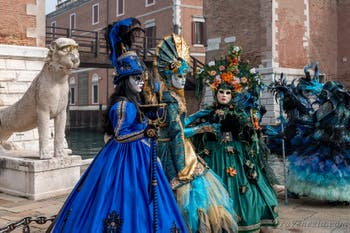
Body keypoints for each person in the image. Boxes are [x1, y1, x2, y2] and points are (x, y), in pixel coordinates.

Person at [48, 18, 188, 233]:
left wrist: (148, 130)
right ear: (125, 81)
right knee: (123, 197)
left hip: (140, 154)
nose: (140, 83)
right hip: (122, 157)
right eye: (135, 79)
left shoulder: (135, 103)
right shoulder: (122, 106)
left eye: (141, 79)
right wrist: (146, 131)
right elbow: (120, 136)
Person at [154, 33, 238, 233]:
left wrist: (197, 114)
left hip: (179, 145)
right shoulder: (171, 100)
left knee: (195, 189)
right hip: (172, 150)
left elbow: (181, 123)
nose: (183, 81)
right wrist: (202, 128)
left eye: (184, 76)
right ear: (168, 76)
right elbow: (177, 132)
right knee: (185, 189)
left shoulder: (174, 96)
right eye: (178, 76)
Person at [190, 45, 279, 232]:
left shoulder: (239, 113)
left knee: (248, 188)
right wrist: (206, 127)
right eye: (221, 92)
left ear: (233, 95)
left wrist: (245, 125)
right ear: (216, 93)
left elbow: (249, 134)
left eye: (228, 93)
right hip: (213, 154)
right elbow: (193, 128)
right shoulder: (207, 112)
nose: (224, 95)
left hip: (237, 154)